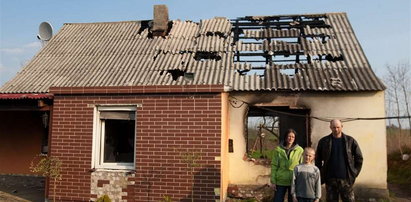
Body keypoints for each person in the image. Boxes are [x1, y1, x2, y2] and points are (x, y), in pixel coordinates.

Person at [315, 119, 363, 202]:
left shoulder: (350, 141)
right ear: (330, 127)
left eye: (338, 127)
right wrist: (320, 173)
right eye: (334, 127)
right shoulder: (324, 141)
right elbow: (318, 159)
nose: (336, 129)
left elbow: (359, 158)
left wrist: (354, 173)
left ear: (342, 127)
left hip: (346, 179)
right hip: (330, 179)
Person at [271, 129, 304, 202]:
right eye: (289, 136)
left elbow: (302, 166)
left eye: (293, 137)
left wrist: (301, 181)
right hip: (280, 180)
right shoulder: (278, 150)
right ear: (285, 137)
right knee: (277, 200)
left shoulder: (300, 150)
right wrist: (273, 181)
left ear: (295, 138)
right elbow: (274, 165)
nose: (291, 138)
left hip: (293, 180)